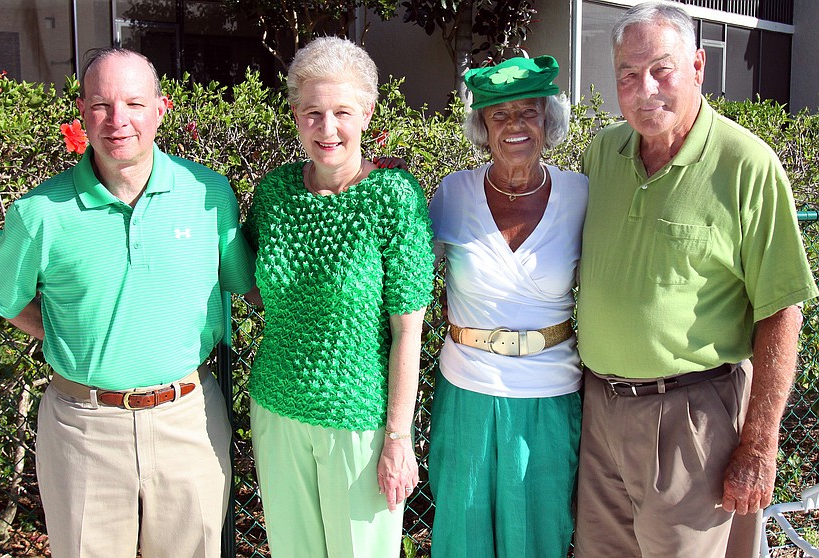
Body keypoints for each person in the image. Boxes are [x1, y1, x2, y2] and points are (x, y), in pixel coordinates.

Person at [0, 48, 255, 558]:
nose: (118, 120)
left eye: (133, 103)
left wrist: (360, 181)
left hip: (188, 422)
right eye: (102, 105)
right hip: (83, 430)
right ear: (82, 112)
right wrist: (63, 333)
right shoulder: (39, 213)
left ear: (161, 109)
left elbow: (250, 284)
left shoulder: (210, 194)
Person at [575, 2, 818, 557]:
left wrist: (759, 443)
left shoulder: (746, 165)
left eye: (662, 69)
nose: (645, 89)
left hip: (691, 421)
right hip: (600, 413)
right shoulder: (603, 154)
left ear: (699, 66)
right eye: (628, 76)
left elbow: (781, 310)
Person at [241, 37, 435, 558]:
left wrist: (398, 438)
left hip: (360, 422)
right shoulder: (275, 193)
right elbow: (259, 287)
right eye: (313, 113)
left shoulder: (394, 200)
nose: (328, 129)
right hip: (278, 407)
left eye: (342, 112)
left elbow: (407, 331)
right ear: (296, 115)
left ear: (368, 113)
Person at [427, 56, 587, 557]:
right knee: (463, 538)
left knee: (540, 539)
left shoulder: (581, 194)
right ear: (482, 126)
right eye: (499, 114)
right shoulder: (452, 193)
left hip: (551, 393)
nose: (515, 125)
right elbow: (402, 272)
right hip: (468, 390)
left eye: (529, 112)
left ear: (548, 120)